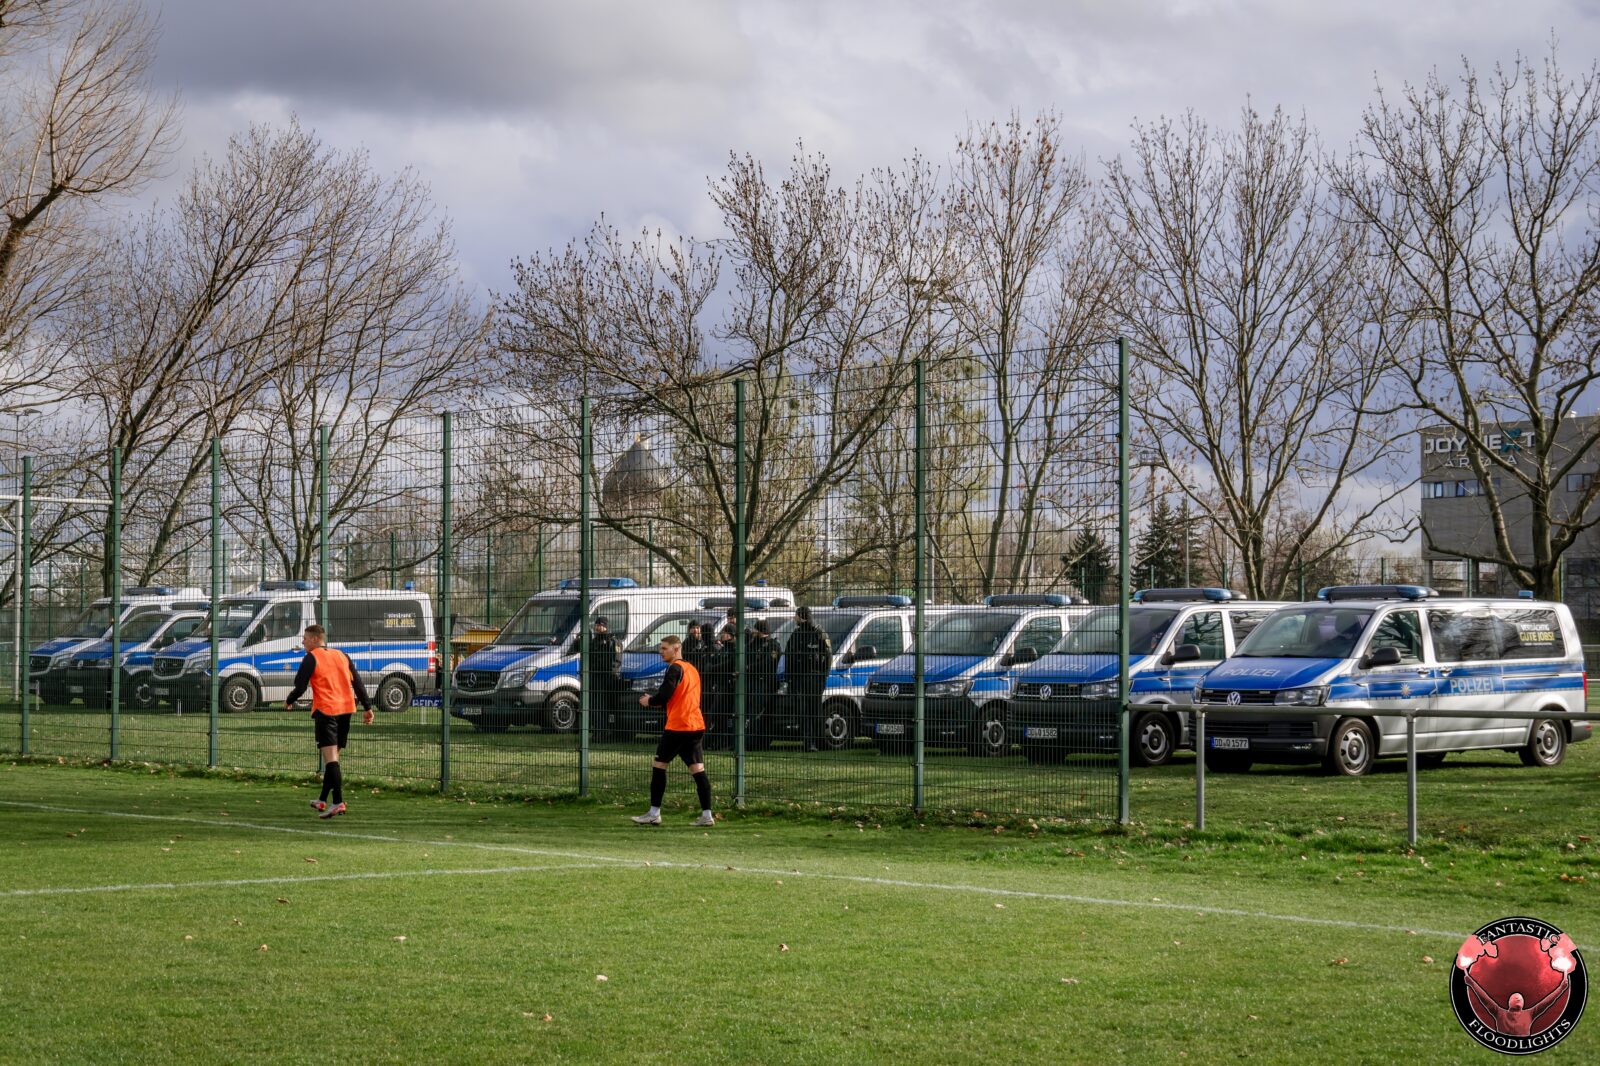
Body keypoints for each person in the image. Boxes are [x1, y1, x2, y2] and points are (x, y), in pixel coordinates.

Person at [284, 624, 373, 819]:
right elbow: (357, 682)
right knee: (332, 759)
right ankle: (323, 799)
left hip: (327, 710)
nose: (303, 642)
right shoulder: (342, 655)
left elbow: (300, 687)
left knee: (331, 759)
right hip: (346, 709)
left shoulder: (311, 657)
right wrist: (367, 707)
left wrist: (289, 701)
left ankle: (338, 802)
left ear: (316, 639)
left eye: (305, 638)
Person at [632, 634, 713, 827]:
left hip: (678, 726)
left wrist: (649, 701)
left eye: (664, 648)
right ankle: (707, 815)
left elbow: (664, 695)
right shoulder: (691, 669)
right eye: (660, 648)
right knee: (697, 769)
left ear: (676, 648)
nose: (661, 652)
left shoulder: (674, 668)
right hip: (695, 725)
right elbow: (680, 695)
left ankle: (654, 813)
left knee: (659, 765)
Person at [784, 605, 833, 752]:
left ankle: (818, 742)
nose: (794, 618)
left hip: (814, 677)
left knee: (814, 711)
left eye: (796, 615)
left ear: (802, 616)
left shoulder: (818, 633)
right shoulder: (796, 634)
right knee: (803, 712)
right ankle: (808, 743)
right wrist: (790, 678)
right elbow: (789, 656)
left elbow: (828, 655)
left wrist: (823, 676)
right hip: (799, 679)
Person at [746, 617, 781, 746]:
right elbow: (745, 658)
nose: (753, 631)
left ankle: (756, 742)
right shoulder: (752, 643)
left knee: (758, 713)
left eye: (755, 628)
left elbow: (767, 664)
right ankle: (748, 740)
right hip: (751, 682)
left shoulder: (772, 645)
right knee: (749, 712)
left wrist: (750, 667)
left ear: (760, 630)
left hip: (765, 684)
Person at [589, 616, 623, 738]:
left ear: (606, 626)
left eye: (600, 625)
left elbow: (617, 661)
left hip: (607, 679)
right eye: (597, 625)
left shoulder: (613, 642)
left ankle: (607, 732)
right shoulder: (593, 642)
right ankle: (598, 732)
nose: (598, 627)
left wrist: (610, 674)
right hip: (595, 678)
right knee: (595, 706)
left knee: (606, 706)